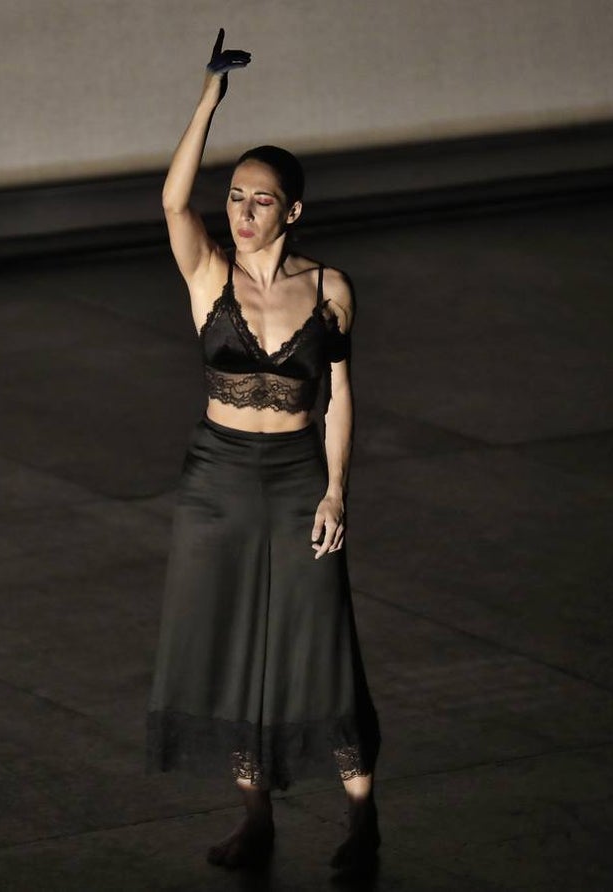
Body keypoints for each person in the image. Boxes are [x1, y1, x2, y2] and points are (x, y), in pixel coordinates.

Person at [145, 29, 382, 874]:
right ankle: (257, 821)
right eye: (236, 197)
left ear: (293, 212)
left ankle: (362, 823)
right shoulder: (209, 276)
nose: (241, 213)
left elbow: (339, 397)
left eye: (260, 201)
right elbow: (174, 203)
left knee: (321, 644)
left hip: (295, 482)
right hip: (215, 480)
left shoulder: (330, 289)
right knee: (229, 646)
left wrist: (336, 492)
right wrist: (209, 99)